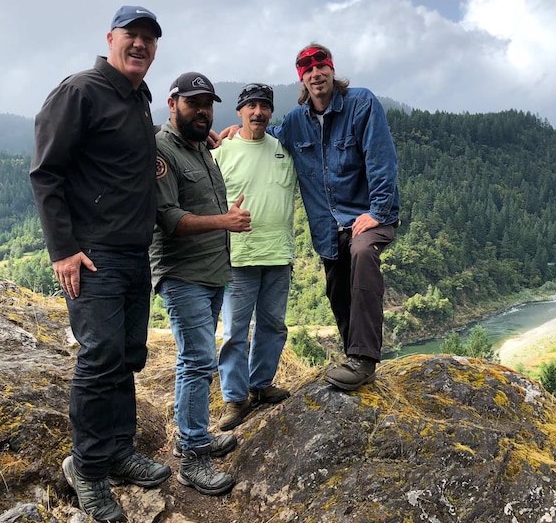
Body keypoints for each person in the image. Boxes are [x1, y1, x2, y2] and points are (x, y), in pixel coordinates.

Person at [30, 5, 170, 523]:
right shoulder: (80, 91)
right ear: (111, 37)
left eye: (149, 40)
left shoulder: (138, 97)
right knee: (100, 357)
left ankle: (117, 451)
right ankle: (86, 469)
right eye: (131, 36)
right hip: (94, 255)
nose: (140, 45)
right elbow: (46, 174)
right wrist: (63, 249)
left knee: (128, 356)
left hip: (135, 252)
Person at [223, 43, 400, 391]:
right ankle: (353, 355)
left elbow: (382, 158)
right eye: (307, 68)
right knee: (337, 290)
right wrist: (237, 132)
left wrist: (378, 212)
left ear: (332, 70)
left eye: (322, 65)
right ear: (301, 78)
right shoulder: (295, 122)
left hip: (366, 216)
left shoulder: (361, 103)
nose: (315, 72)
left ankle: (364, 360)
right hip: (327, 228)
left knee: (363, 256)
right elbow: (268, 138)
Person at [150, 71, 250, 496]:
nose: (203, 111)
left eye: (208, 104)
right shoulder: (160, 150)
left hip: (211, 273)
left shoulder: (201, 147)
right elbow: (168, 219)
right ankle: (192, 457)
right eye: (193, 103)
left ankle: (196, 437)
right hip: (182, 273)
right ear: (173, 104)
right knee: (196, 361)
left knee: (197, 359)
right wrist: (225, 221)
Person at [212, 83, 297, 431]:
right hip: (237, 257)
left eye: (264, 106)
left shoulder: (285, 150)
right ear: (239, 111)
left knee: (273, 326)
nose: (258, 112)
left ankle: (261, 386)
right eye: (251, 106)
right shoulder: (222, 152)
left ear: (271, 113)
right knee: (234, 331)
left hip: (278, 255)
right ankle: (235, 398)